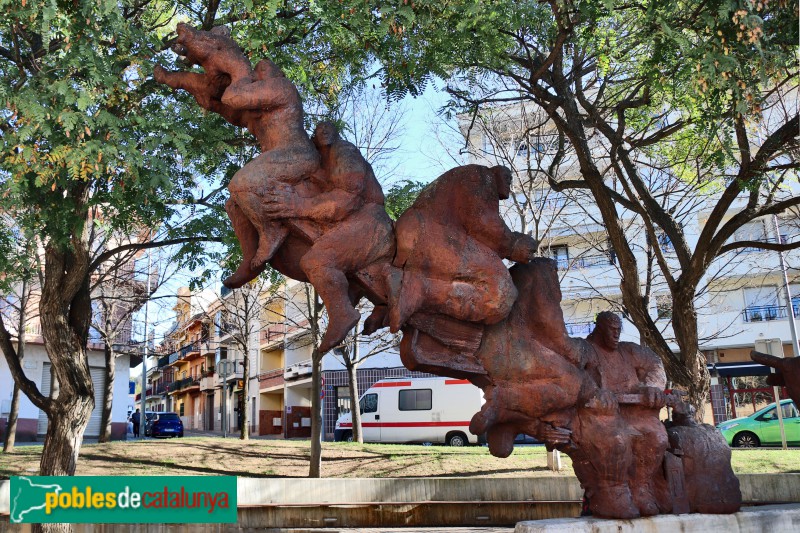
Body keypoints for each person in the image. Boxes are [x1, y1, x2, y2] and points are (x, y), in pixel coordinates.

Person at [154, 24, 320, 288]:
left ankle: (273, 229)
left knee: (242, 183)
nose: (257, 71)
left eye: (260, 70)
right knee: (234, 204)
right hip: (278, 156)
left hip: (296, 154)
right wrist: (184, 81)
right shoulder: (259, 110)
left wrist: (236, 66)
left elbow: (233, 97)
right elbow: (225, 108)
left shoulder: (281, 89)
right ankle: (249, 260)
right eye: (253, 71)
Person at [260, 121, 395, 352]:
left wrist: (298, 206)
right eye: (318, 129)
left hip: (369, 221)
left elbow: (348, 196)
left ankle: (342, 313)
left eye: (327, 128)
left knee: (317, 261)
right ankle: (376, 301)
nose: (322, 131)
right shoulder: (314, 161)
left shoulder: (345, 151)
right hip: (350, 221)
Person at [389, 164, 538, 331]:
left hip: (432, 233)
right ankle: (419, 290)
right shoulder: (481, 176)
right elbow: (482, 222)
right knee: (501, 293)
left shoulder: (478, 179)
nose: (509, 183)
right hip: (431, 235)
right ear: (497, 172)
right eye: (507, 178)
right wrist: (513, 244)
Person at [579, 311, 669, 518]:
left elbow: (655, 363)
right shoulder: (585, 349)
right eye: (611, 330)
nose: (616, 335)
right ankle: (613, 494)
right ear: (599, 328)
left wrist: (652, 387)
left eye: (619, 330)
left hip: (635, 413)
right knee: (616, 442)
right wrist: (593, 392)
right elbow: (573, 372)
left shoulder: (628, 350)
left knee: (658, 437)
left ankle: (641, 488)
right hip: (601, 417)